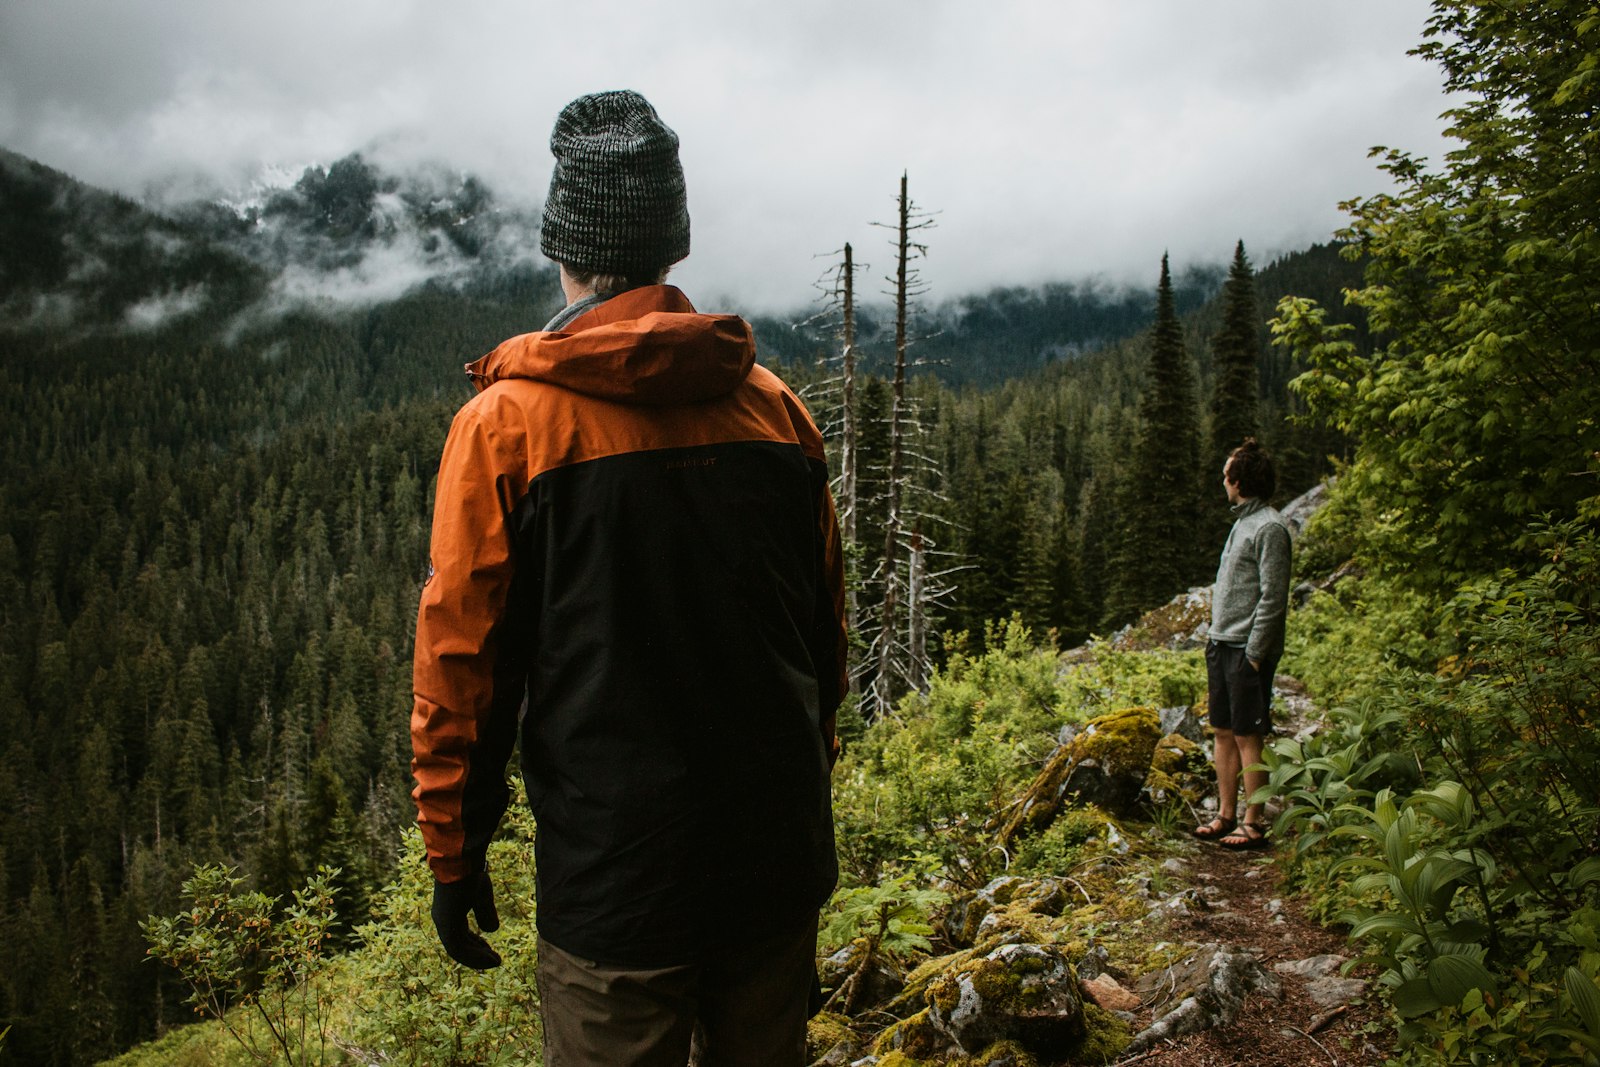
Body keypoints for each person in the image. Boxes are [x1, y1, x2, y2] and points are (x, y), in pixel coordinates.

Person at [409, 89, 847, 1065]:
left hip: (616, 894)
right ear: (669, 242)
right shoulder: (779, 415)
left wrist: (454, 847)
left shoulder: (505, 431)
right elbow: (822, 644)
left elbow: (463, 670)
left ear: (563, 243)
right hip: (774, 873)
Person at [1193, 438, 1291, 851]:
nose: (1223, 482)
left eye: (1226, 475)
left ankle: (1254, 820)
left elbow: (1274, 596)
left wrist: (1254, 655)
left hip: (1245, 649)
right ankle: (1225, 813)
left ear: (1239, 481)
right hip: (1222, 642)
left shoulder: (1270, 527)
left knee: (1249, 735)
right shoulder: (1242, 521)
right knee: (1223, 730)